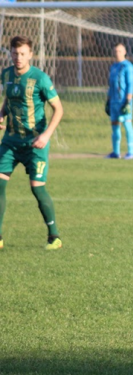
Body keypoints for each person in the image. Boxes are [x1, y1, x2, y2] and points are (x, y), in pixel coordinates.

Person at [0, 36, 65, 251]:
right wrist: (1, 114)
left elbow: (59, 109)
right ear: (10, 53)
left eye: (22, 54)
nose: (18, 57)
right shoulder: (6, 74)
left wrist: (46, 136)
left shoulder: (40, 78)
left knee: (37, 189)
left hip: (35, 143)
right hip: (10, 142)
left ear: (30, 55)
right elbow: (9, 100)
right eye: (15, 53)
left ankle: (54, 236)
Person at [105, 42, 133, 159]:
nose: (117, 53)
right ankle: (116, 152)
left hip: (123, 101)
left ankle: (131, 152)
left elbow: (130, 84)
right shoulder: (113, 67)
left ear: (124, 52)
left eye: (119, 51)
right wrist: (108, 100)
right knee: (115, 126)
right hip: (113, 101)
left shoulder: (128, 66)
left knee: (127, 124)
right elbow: (111, 85)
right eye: (115, 51)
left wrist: (128, 100)